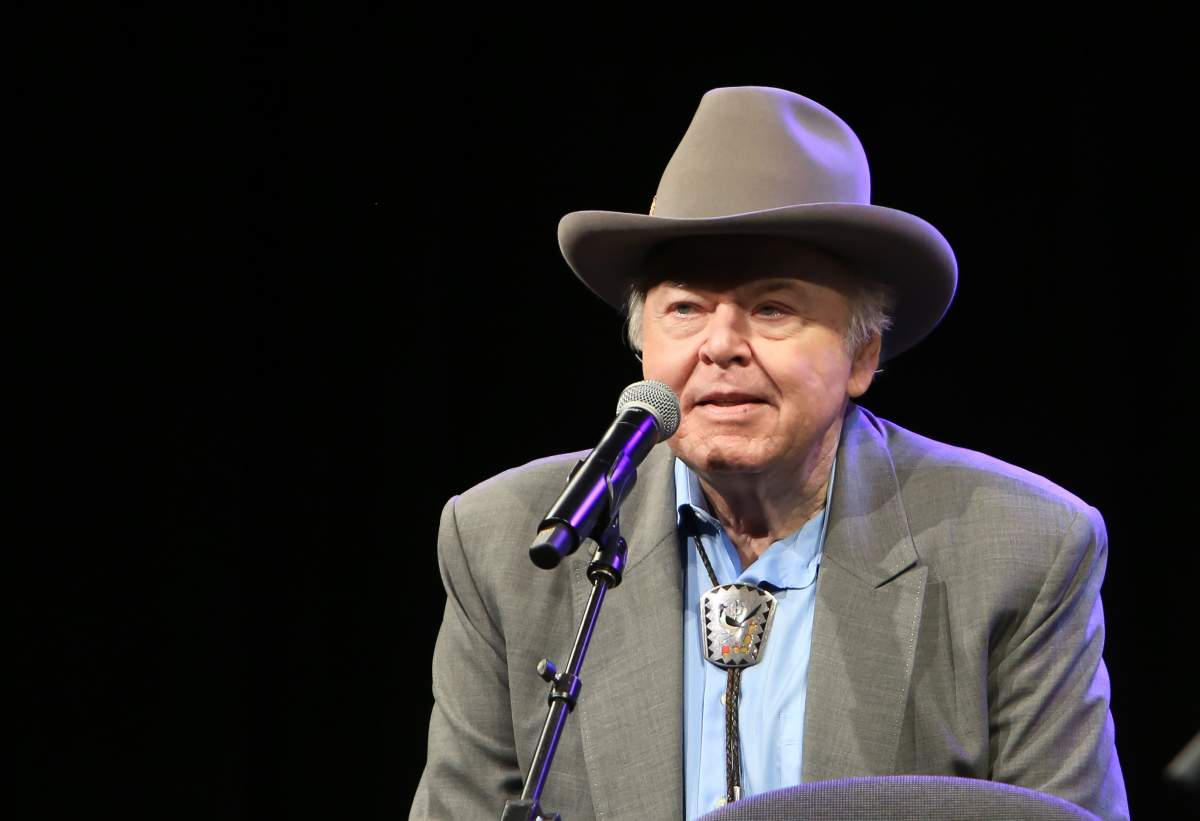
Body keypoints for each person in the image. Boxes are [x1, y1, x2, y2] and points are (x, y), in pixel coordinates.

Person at [409, 86, 1129, 821]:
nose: (720, 345)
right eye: (685, 308)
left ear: (861, 355)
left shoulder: (1020, 547)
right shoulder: (507, 541)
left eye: (772, 308)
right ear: (642, 343)